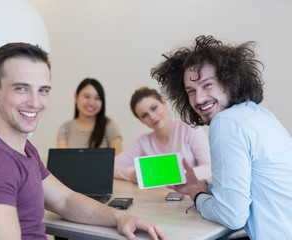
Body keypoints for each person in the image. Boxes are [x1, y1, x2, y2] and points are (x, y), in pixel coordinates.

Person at [0, 42, 167, 240]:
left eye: (43, 90)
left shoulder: (21, 148)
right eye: (21, 88)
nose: (35, 102)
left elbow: (66, 200)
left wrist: (120, 218)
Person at [150, 35, 292, 239]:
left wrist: (197, 196)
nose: (198, 99)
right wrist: (204, 186)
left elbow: (232, 215)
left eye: (207, 85)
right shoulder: (259, 115)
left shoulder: (225, 123)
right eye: (191, 91)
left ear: (230, 81)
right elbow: (251, 182)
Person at [114, 86, 211, 182]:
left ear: (164, 102)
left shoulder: (189, 127)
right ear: (141, 121)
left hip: (190, 194)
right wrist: (131, 175)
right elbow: (111, 166)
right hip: (157, 195)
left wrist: (174, 175)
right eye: (144, 115)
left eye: (154, 108)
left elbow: (209, 168)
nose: (152, 116)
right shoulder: (143, 142)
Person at [57, 78, 123, 154]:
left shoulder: (110, 126)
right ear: (76, 97)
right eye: (87, 97)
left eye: (97, 98)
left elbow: (118, 162)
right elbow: (63, 162)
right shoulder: (65, 129)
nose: (91, 103)